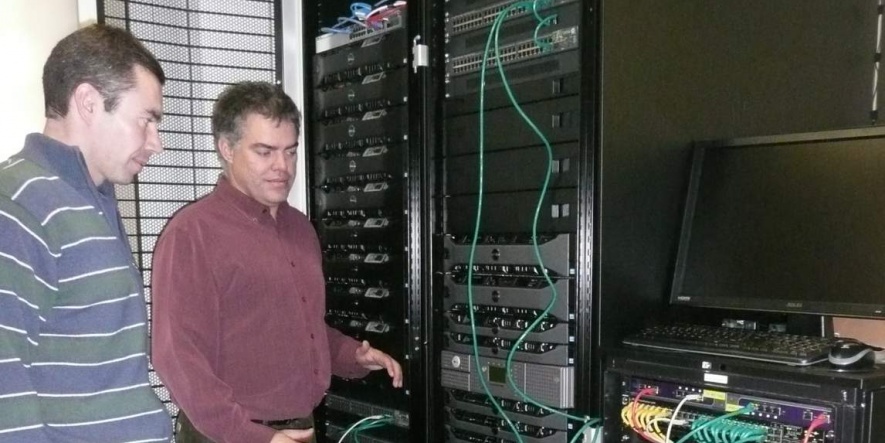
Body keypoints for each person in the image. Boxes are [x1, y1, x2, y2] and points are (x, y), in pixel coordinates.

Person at [150, 81, 403, 443]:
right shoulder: (192, 234)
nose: (282, 166)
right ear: (226, 148)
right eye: (265, 152)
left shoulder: (300, 228)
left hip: (299, 427)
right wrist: (254, 437)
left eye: (290, 151)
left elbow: (300, 328)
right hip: (230, 436)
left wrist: (353, 355)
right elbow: (177, 356)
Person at [0, 24, 172, 442]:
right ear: (89, 102)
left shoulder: (87, 198)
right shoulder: (19, 203)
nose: (156, 143)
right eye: (146, 120)